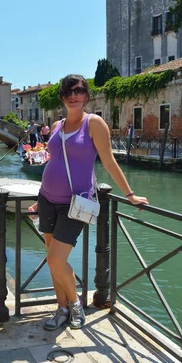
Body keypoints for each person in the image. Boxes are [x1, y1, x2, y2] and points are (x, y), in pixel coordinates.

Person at [30, 74, 147, 331]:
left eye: (80, 91)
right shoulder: (58, 125)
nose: (75, 95)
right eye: (69, 92)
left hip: (77, 203)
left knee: (56, 260)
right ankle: (61, 310)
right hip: (47, 199)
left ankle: (75, 305)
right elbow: (54, 162)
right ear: (63, 97)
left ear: (86, 95)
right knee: (53, 260)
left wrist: (130, 195)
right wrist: (39, 200)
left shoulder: (93, 124)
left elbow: (108, 162)